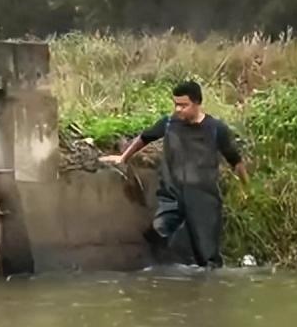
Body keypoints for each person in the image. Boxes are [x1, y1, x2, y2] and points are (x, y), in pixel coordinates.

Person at [100, 80, 248, 268]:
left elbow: (235, 160)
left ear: (197, 103)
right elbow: (145, 138)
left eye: (183, 105)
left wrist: (246, 187)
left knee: (207, 255)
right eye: (176, 104)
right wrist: (123, 158)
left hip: (204, 198)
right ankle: (162, 272)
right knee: (157, 230)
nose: (178, 109)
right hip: (173, 193)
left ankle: (209, 288)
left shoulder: (215, 128)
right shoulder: (169, 124)